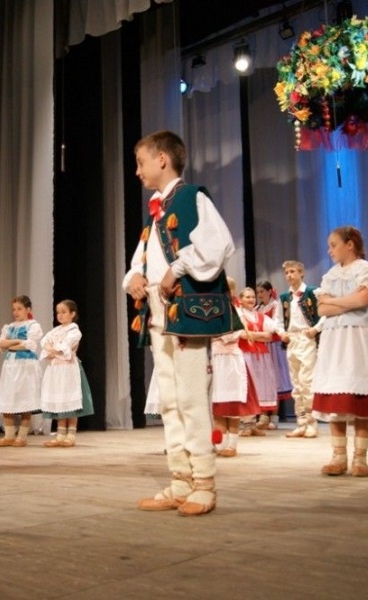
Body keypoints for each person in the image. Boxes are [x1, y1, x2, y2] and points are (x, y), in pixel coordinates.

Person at [124, 130, 235, 516]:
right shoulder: (154, 213)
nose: (136, 171)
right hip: (159, 312)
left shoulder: (191, 198)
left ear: (161, 160)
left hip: (185, 311)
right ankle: (180, 480)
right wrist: (133, 280)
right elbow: (140, 262)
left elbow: (218, 245)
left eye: (140, 162)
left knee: (190, 397)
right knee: (169, 400)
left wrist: (177, 268)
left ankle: (204, 481)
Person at [311, 227, 368, 476]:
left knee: (360, 395)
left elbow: (362, 301)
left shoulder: (366, 270)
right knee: (336, 396)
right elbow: (321, 310)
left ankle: (360, 458)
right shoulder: (330, 275)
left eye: (333, 245)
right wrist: (343, 302)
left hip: (360, 337)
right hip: (335, 339)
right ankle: (338, 456)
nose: (329, 250)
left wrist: (334, 302)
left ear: (349, 245)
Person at [274, 261, 324, 438]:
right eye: (286, 272)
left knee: (306, 381)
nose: (289, 275)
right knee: (296, 382)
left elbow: (325, 313)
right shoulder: (284, 298)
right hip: (292, 340)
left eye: (293, 271)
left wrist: (316, 329)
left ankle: (312, 422)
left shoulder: (312, 292)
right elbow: (278, 320)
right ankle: (301, 422)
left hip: (307, 338)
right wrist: (281, 333)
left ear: (301, 273)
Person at [210, 278, 260, 457]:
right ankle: (219, 443)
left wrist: (217, 334)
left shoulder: (235, 311)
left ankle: (232, 444)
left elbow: (234, 333)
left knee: (232, 406)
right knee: (218, 405)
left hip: (230, 360)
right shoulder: (212, 310)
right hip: (216, 359)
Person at [39, 300, 94, 447]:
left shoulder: (74, 331)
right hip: (55, 370)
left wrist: (52, 349)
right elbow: (44, 341)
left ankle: (71, 435)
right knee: (59, 401)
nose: (60, 315)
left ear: (72, 314)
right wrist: (51, 349)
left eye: (64, 312)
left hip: (68, 369)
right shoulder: (55, 330)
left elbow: (65, 347)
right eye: (58, 312)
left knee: (70, 401)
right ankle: (60, 435)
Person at [0, 295, 42, 447]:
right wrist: (16, 341)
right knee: (8, 400)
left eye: (19, 309)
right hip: (11, 365)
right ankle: (8, 436)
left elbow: (30, 345)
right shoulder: (9, 327)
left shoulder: (33, 325)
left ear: (28, 309)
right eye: (14, 309)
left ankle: (22, 436)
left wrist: (9, 345)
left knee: (25, 401)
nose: (16, 312)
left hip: (26, 365)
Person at [237, 287, 278, 436]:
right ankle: (247, 423)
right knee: (248, 388)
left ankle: (253, 424)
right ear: (240, 299)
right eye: (247, 297)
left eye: (253, 297)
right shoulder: (238, 314)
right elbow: (241, 334)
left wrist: (253, 335)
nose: (251, 299)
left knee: (260, 388)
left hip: (261, 357)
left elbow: (272, 332)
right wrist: (262, 335)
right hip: (245, 354)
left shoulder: (261, 316)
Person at [255, 280, 291, 430]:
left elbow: (277, 324)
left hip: (274, 346)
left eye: (262, 291)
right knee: (264, 381)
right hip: (262, 346)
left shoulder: (276, 306)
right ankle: (263, 415)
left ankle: (274, 416)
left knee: (275, 380)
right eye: (258, 292)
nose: (260, 295)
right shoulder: (257, 308)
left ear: (270, 291)